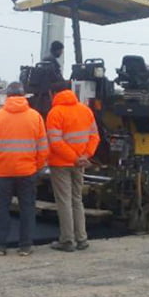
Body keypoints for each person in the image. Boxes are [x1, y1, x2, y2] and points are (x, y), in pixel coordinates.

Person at [0, 82, 48, 256]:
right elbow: (43, 148)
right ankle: (25, 246)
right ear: (24, 96)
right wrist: (37, 166)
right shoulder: (36, 117)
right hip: (27, 172)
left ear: (8, 97)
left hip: (3, 172)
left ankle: (0, 246)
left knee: (1, 209)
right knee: (27, 209)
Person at [46, 82, 100, 252]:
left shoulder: (55, 113)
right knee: (77, 200)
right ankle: (82, 238)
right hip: (80, 163)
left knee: (64, 201)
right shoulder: (85, 110)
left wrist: (74, 158)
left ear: (53, 93)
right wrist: (85, 156)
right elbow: (94, 136)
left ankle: (67, 240)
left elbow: (55, 142)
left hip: (61, 164)